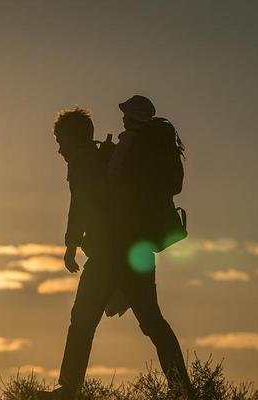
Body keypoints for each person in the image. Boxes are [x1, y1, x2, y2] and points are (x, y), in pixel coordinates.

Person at [38, 98, 192, 400]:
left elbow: (81, 207)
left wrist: (71, 243)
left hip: (110, 255)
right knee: (152, 322)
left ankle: (68, 389)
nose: (59, 149)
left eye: (60, 141)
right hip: (136, 252)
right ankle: (183, 388)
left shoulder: (84, 163)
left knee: (82, 321)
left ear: (73, 138)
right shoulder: (107, 159)